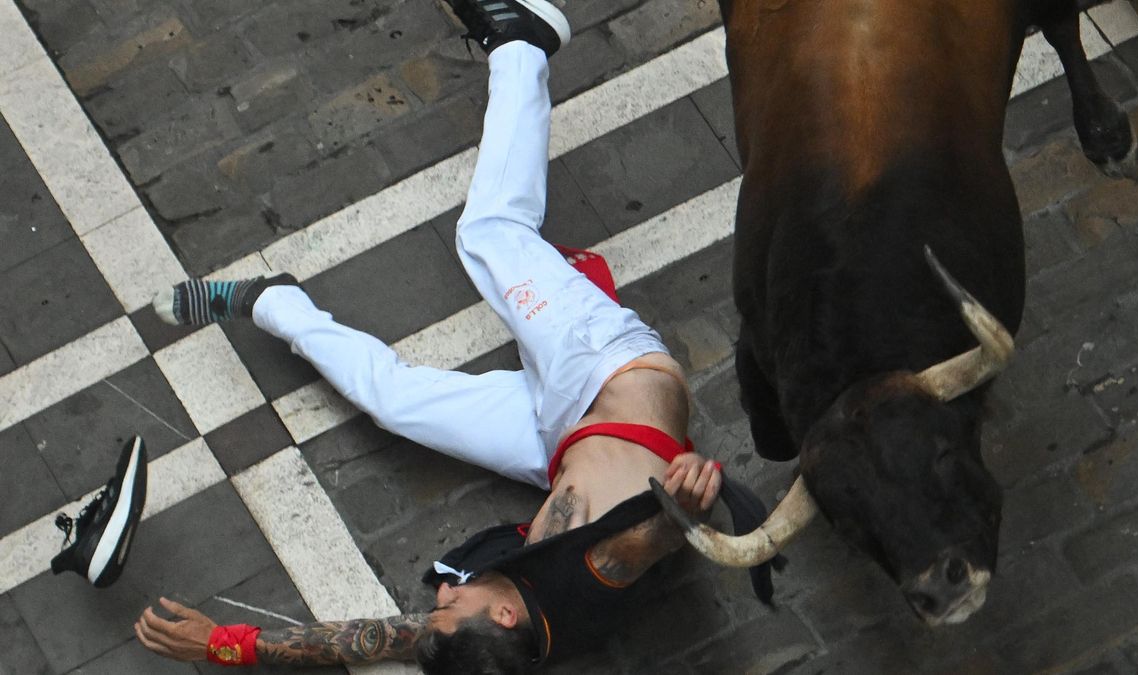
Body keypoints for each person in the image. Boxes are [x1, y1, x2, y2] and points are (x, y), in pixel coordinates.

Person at [133, 0, 730, 672]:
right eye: (451, 602)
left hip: (560, 436)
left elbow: (369, 639)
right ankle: (521, 45)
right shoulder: (594, 572)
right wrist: (679, 509)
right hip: (611, 375)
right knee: (489, 233)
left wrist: (226, 644)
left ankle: (271, 300)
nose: (442, 590)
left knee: (393, 401)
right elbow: (649, 543)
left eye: (439, 602)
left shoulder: (495, 633)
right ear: (504, 614)